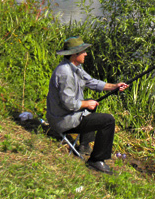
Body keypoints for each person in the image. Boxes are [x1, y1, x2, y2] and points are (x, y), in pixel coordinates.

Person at [46, 36, 128, 174]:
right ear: (74, 54)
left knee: (92, 104)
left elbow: (91, 82)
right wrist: (85, 103)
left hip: (67, 115)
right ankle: (96, 160)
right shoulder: (65, 73)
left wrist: (114, 86)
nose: (86, 54)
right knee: (108, 121)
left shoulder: (75, 67)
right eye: (83, 51)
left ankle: (84, 145)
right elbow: (68, 103)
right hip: (62, 120)